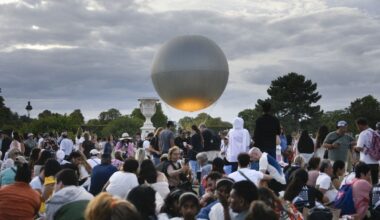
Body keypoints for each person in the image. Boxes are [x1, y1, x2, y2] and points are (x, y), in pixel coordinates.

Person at [355, 117, 379, 185]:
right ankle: (375, 195)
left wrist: (355, 148)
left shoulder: (363, 133)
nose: (358, 128)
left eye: (357, 126)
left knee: (366, 184)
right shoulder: (375, 133)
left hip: (365, 163)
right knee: (375, 183)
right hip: (376, 162)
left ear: (360, 125)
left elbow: (359, 147)